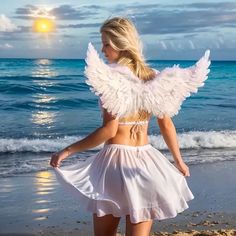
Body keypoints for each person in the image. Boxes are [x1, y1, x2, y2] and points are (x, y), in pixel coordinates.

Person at [50, 17, 210, 236]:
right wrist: (179, 161)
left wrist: (67, 150)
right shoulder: (154, 77)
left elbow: (109, 130)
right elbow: (166, 125)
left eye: (106, 43)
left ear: (120, 44)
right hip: (146, 164)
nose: (102, 49)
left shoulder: (111, 78)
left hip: (114, 166)